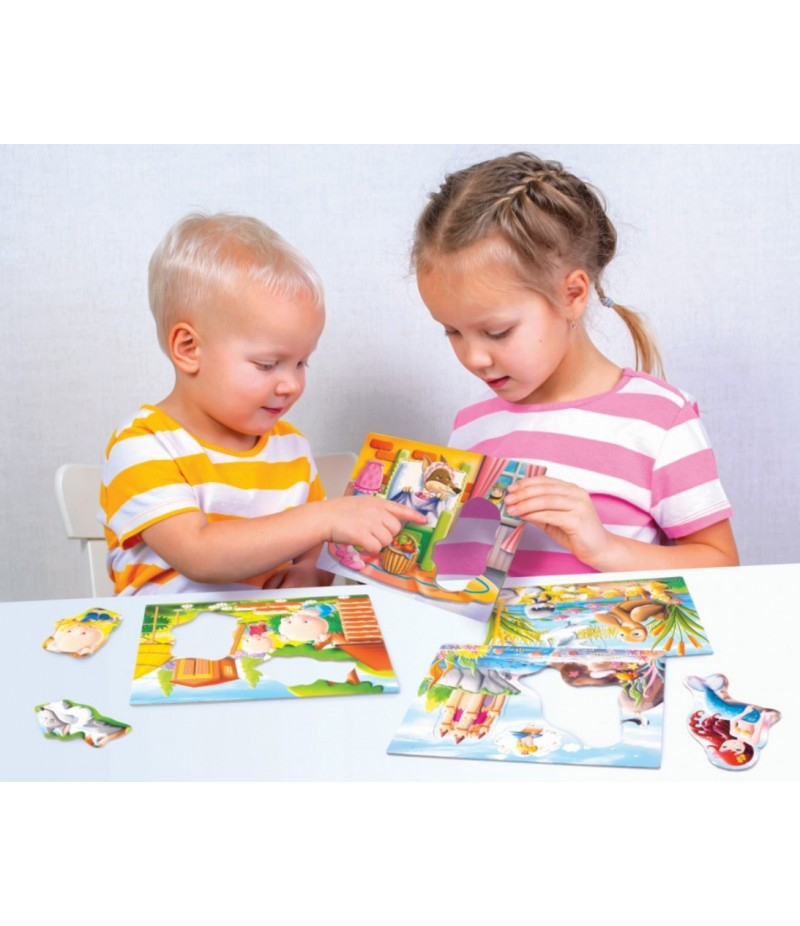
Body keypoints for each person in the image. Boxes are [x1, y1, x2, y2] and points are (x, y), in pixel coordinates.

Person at [412, 152, 738, 579]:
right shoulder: (471, 427)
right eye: (452, 331)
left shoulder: (659, 420)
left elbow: (722, 566)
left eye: (497, 332)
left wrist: (606, 548)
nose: (473, 358)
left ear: (573, 295)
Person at [101, 212, 423, 595]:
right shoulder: (143, 446)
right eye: (268, 365)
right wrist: (324, 517)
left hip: (271, 631)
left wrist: (309, 573)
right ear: (189, 349)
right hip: (170, 633)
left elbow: (315, 549)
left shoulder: (291, 447)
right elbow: (199, 554)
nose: (292, 384)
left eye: (302, 363)